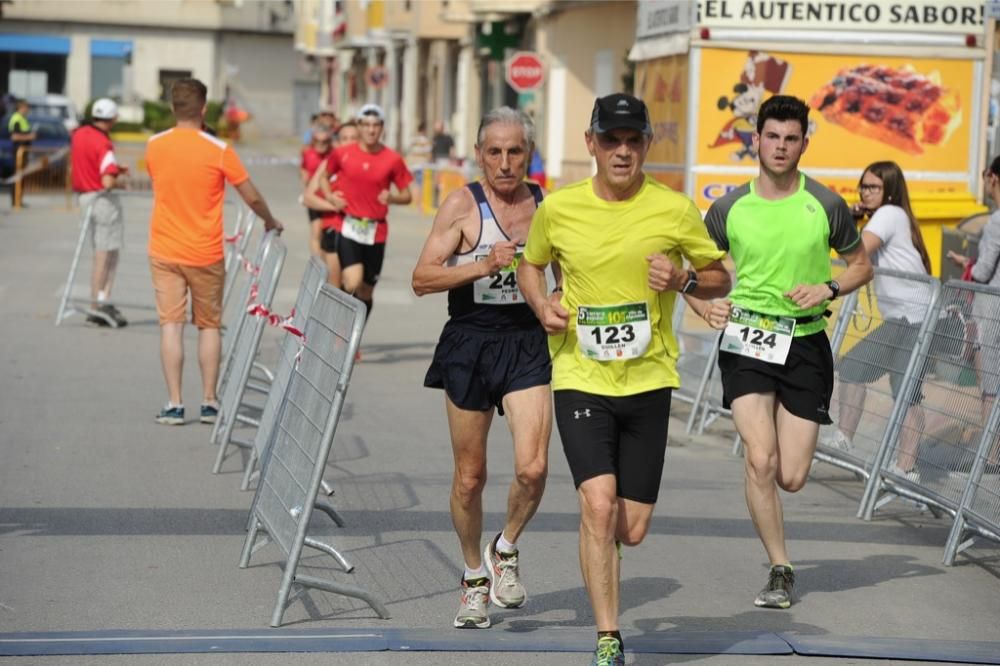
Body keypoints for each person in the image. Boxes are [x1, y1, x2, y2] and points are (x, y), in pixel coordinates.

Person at [517, 93, 731, 666]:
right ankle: (608, 635)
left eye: (632, 140)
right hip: (580, 374)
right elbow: (529, 264)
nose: (621, 150)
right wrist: (541, 305)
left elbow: (719, 277)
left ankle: (604, 557)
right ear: (590, 143)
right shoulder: (558, 209)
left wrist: (683, 278)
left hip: (649, 380)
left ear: (646, 145)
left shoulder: (674, 209)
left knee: (629, 529)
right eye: (610, 139)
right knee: (598, 503)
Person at [696, 95, 873, 609]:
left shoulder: (826, 204)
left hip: (804, 342)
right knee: (760, 458)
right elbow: (692, 270)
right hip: (747, 340)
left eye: (790, 138)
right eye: (771, 136)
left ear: (803, 143)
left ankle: (775, 521)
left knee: (791, 476)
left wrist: (830, 288)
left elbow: (860, 265)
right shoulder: (729, 207)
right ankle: (780, 566)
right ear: (756, 140)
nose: (780, 146)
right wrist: (702, 305)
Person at [412, 107, 552, 630]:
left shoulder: (545, 205)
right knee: (470, 478)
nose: (505, 162)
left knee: (533, 468)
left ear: (528, 154)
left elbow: (567, 270)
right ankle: (474, 577)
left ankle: (506, 547)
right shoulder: (460, 205)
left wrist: (557, 296)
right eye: (494, 151)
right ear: (479, 155)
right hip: (470, 341)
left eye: (515, 151)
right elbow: (422, 277)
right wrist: (481, 265)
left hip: (526, 342)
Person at [145, 78, 283, 426]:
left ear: (173, 107)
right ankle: (209, 402)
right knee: (208, 326)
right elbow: (250, 195)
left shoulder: (154, 146)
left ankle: (174, 403)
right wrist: (269, 220)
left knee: (171, 326)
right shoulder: (218, 149)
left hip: (164, 249)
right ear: (204, 108)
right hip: (205, 252)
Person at [828, 161, 933, 481]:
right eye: (863, 186)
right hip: (905, 318)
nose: (866, 192)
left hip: (915, 319)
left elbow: (858, 253)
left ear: (890, 191)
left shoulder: (889, 215)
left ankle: (906, 467)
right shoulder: (890, 217)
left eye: (873, 187)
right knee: (857, 369)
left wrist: (848, 222)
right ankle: (848, 439)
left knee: (905, 391)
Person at [313, 103, 413, 325]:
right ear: (358, 126)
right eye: (366, 125)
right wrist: (330, 197)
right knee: (352, 281)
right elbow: (323, 177)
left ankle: (354, 332)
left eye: (376, 125)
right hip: (349, 226)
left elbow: (407, 196)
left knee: (366, 291)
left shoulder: (392, 159)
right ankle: (342, 329)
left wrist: (392, 198)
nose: (371, 130)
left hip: (376, 230)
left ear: (382, 128)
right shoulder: (342, 153)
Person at [947, 155, 1000, 466]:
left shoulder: (995, 221)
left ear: (992, 176)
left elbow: (983, 272)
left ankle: (991, 459)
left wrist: (967, 266)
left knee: (990, 386)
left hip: (991, 309)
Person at [70, 98, 129, 328]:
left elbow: (90, 165)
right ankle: (99, 304)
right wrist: (121, 182)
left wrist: (115, 169)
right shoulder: (104, 143)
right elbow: (107, 180)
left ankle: (98, 303)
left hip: (84, 198)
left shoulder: (79, 134)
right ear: (113, 119)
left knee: (99, 252)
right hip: (103, 201)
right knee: (107, 255)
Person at [300, 125, 334, 258]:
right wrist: (305, 182)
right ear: (313, 141)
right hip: (315, 199)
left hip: (329, 198)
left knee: (327, 234)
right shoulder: (308, 153)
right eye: (318, 141)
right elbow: (303, 168)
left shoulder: (333, 154)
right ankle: (317, 261)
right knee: (316, 231)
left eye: (325, 141)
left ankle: (325, 259)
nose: (321, 145)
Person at [7, 98, 35, 206]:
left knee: (21, 177)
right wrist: (30, 136)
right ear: (21, 108)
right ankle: (15, 201)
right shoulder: (16, 119)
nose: (28, 110)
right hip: (18, 153)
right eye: (27, 108)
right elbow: (14, 137)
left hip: (23, 153)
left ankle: (19, 200)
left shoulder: (23, 119)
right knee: (17, 177)